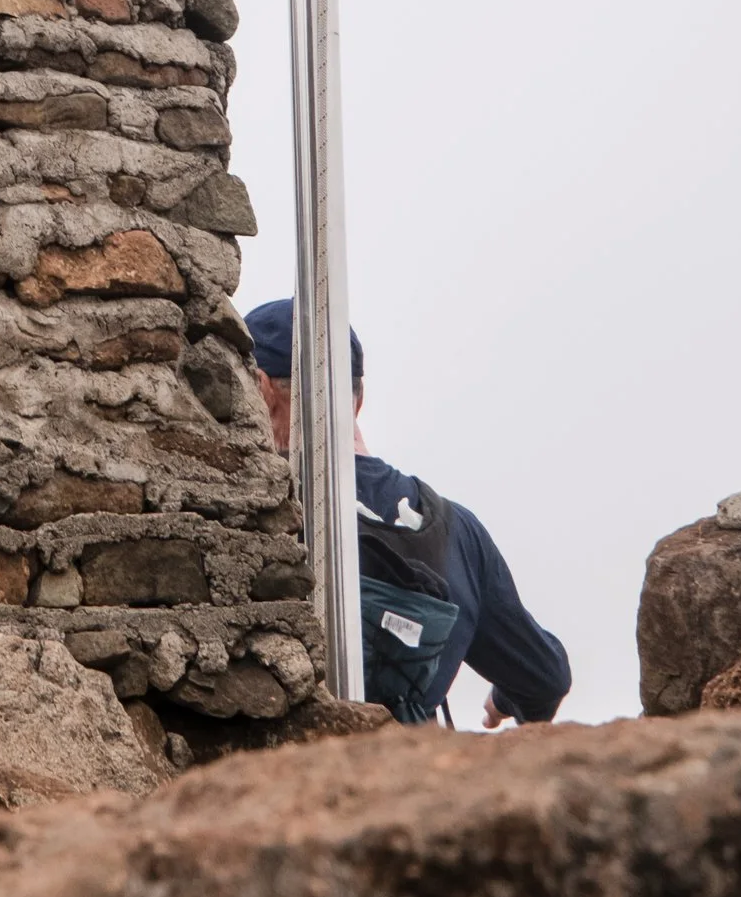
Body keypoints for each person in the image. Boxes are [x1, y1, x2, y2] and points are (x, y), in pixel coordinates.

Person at [241, 298, 571, 728]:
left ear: (262, 390)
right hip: (405, 779)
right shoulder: (456, 531)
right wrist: (505, 699)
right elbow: (545, 678)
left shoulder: (248, 514)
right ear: (357, 399)